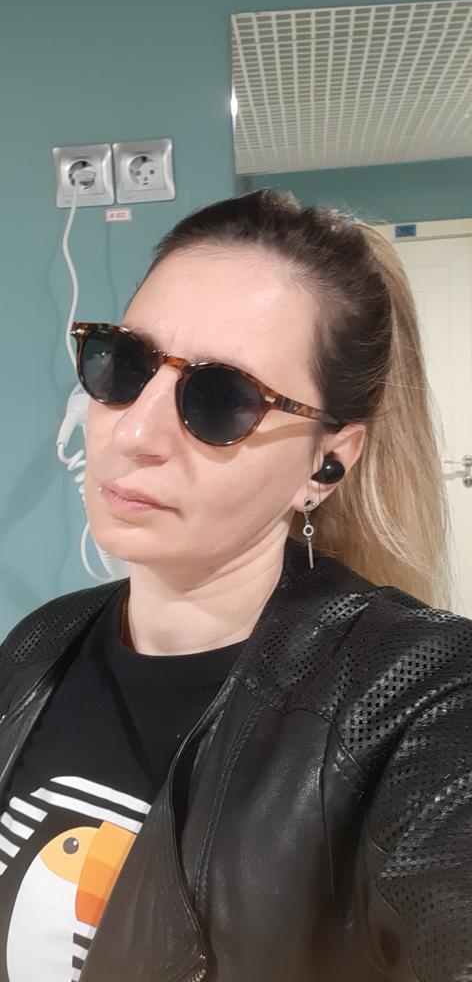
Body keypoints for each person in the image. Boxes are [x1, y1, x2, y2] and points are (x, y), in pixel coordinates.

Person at [0, 188, 470, 982]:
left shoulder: (421, 697)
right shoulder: (43, 642)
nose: (135, 432)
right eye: (125, 364)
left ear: (327, 461)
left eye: (221, 400)